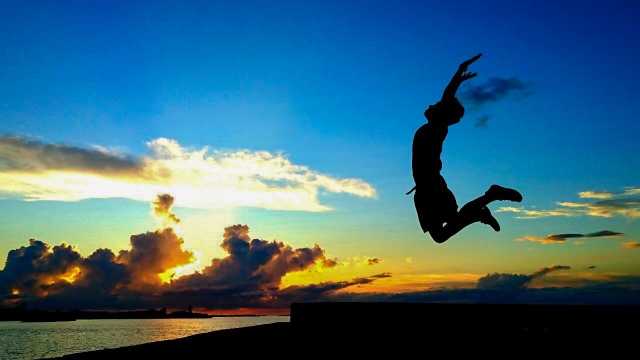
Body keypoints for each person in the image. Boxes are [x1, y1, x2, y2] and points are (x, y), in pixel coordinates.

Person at [407, 53, 522, 244]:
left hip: (432, 187)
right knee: (441, 235)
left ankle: (490, 198)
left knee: (445, 231)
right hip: (424, 189)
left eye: (436, 105)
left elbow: (447, 96)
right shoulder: (434, 127)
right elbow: (446, 99)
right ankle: (484, 206)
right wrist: (458, 75)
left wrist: (458, 74)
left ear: (442, 114)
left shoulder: (437, 128)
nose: (430, 104)